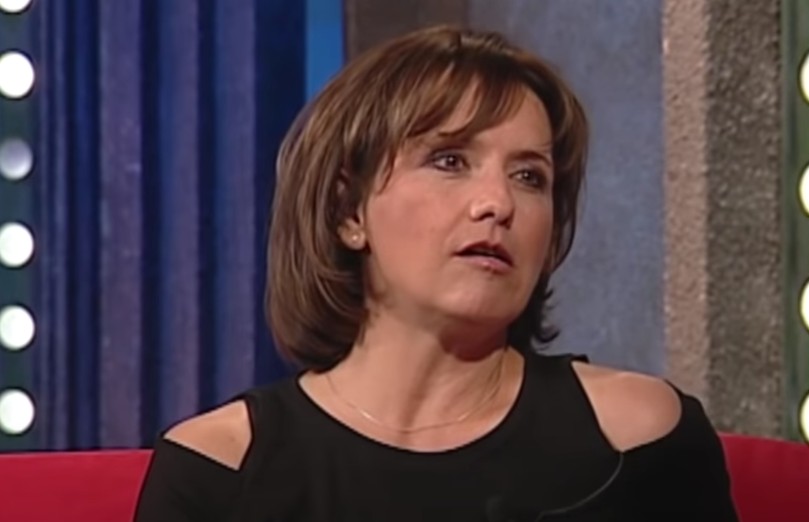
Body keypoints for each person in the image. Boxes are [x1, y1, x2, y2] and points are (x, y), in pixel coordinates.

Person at [134, 25, 739, 521]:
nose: (498, 203)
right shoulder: (219, 471)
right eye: (450, 160)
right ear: (349, 212)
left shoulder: (637, 439)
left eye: (530, 177)